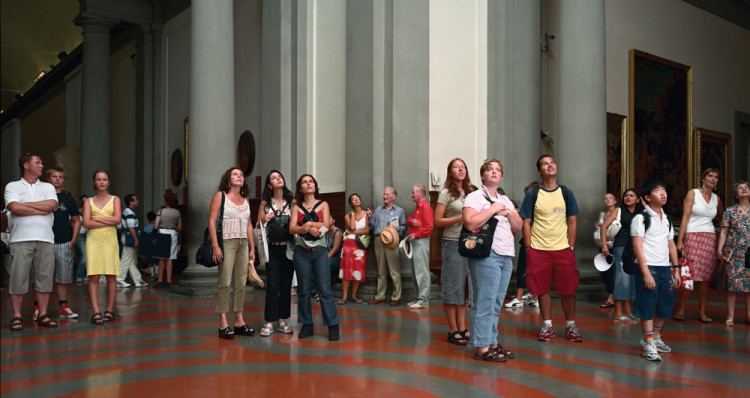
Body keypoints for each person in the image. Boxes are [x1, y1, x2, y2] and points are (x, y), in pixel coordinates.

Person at [463, 159, 522, 362]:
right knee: (484, 302)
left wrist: (505, 210)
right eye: (490, 169)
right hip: (486, 254)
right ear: (482, 175)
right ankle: (481, 346)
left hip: (506, 254)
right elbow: (470, 223)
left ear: (501, 176)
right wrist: (493, 209)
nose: (494, 172)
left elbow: (519, 223)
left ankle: (492, 342)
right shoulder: (475, 196)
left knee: (496, 303)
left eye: (498, 170)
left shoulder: (505, 199)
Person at [520, 155, 582, 342]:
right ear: (539, 171)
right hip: (538, 250)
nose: (550, 165)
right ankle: (547, 325)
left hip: (563, 249)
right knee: (542, 289)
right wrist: (529, 248)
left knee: (569, 289)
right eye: (545, 164)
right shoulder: (533, 194)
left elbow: (572, 220)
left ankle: (571, 326)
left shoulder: (566, 192)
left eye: (552, 162)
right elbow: (526, 222)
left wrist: (571, 246)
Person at [5, 153, 60, 331]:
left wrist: (25, 205)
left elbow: (51, 205)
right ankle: (17, 316)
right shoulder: (12, 186)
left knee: (44, 279)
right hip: (20, 239)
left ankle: (43, 314)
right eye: (38, 162)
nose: (42, 166)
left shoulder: (48, 186)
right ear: (26, 166)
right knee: (18, 279)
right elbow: (14, 207)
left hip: (45, 238)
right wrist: (40, 207)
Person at [631, 181, 680, 361]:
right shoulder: (641, 218)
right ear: (647, 197)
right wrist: (645, 272)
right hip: (647, 265)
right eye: (657, 190)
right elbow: (637, 246)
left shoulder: (666, 219)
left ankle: (656, 335)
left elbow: (671, 245)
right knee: (648, 304)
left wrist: (676, 269)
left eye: (664, 190)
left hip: (664, 267)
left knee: (666, 304)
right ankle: (648, 341)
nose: (663, 193)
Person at [290, 174, 340, 341]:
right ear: (300, 188)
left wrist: (308, 225)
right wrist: (303, 228)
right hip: (301, 252)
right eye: (305, 182)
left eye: (311, 181)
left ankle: (333, 325)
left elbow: (326, 224)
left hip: (320, 251)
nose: (308, 184)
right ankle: (307, 324)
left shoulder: (323, 204)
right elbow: (292, 229)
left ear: (315, 186)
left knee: (324, 288)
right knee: (303, 289)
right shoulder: (296, 208)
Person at [209, 167, 256, 339]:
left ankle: (239, 321)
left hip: (243, 242)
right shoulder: (221, 196)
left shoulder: (245, 200)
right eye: (235, 174)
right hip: (226, 242)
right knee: (225, 281)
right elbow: (212, 221)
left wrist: (252, 247)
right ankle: (222, 323)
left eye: (241, 175)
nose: (239, 176)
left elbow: (249, 225)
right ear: (228, 179)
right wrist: (216, 245)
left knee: (241, 282)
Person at [674, 168, 723, 323]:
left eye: (716, 177)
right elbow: (685, 217)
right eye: (710, 176)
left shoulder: (717, 199)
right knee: (690, 274)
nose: (713, 179)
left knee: (706, 278)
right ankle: (681, 309)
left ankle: (702, 312)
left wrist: (725, 238)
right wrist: (680, 240)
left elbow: (723, 220)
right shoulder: (693, 193)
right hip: (692, 236)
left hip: (709, 238)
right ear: (703, 178)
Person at [435, 158, 475, 344]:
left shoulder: (471, 192)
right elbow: (438, 221)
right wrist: (460, 218)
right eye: (456, 167)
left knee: (463, 287)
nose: (461, 169)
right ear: (450, 172)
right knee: (453, 286)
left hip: (470, 243)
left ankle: (462, 326)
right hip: (452, 243)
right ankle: (452, 329)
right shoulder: (445, 193)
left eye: (463, 166)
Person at [257, 170, 296, 337]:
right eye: (273, 177)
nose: (278, 179)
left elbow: (298, 222)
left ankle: (282, 320)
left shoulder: (292, 202)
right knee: (272, 285)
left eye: (279, 176)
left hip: (288, 247)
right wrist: (264, 219)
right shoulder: (265, 204)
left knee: (286, 285)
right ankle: (269, 322)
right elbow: (258, 225)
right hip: (272, 248)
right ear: (269, 185)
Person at [82, 169, 122, 325]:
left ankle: (110, 310)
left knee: (111, 275)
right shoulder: (88, 201)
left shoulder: (115, 199)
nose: (101, 182)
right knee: (94, 276)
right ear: (94, 182)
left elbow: (117, 220)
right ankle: (96, 311)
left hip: (110, 239)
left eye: (104, 179)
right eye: (98, 179)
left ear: (108, 182)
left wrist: (96, 218)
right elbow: (86, 223)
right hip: (94, 240)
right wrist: (108, 219)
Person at [44, 167, 81, 320]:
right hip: (44, 242)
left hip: (63, 242)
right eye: (54, 176)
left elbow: (76, 220)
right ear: (48, 179)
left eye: (60, 177)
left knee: (63, 278)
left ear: (63, 180)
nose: (57, 179)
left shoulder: (68, 199)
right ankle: (39, 309)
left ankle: (63, 307)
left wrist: (73, 240)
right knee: (42, 277)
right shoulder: (43, 196)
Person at [601, 188, 642, 321]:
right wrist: (604, 245)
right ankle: (617, 312)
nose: (628, 198)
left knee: (632, 280)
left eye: (632, 195)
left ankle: (628, 310)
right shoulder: (618, 211)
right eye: (626, 196)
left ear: (637, 199)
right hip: (621, 247)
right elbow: (604, 227)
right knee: (621, 279)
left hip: (635, 249)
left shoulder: (640, 213)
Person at [367, 187, 407, 306]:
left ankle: (396, 297)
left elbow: (404, 227)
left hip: (392, 241)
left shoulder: (399, 211)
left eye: (387, 195)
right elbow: (372, 226)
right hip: (379, 240)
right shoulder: (378, 210)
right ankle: (380, 296)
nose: (385, 196)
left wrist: (397, 228)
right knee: (381, 271)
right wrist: (369, 217)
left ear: (394, 197)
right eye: (384, 194)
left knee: (394, 271)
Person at [716, 181, 749, 326]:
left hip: (749, 253)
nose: (744, 190)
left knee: (749, 285)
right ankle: (730, 316)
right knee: (732, 284)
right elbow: (724, 232)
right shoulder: (730, 211)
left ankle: (749, 316)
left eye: (746, 188)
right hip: (733, 252)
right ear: (736, 195)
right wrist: (719, 248)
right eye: (740, 188)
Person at [505, 181, 539, 309]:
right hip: (535, 240)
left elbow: (526, 222)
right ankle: (535, 296)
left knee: (523, 268)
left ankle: (519, 298)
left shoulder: (532, 207)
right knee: (532, 269)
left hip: (531, 240)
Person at [405, 184, 434, 309]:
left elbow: (429, 228)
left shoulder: (426, 208)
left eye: (413, 193)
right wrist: (411, 221)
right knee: (415, 271)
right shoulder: (418, 208)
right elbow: (408, 221)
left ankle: (423, 300)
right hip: (415, 241)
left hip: (420, 241)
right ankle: (418, 298)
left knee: (422, 271)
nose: (411, 195)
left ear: (421, 193)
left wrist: (416, 235)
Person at [339, 193, 369, 304]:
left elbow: (367, 231)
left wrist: (352, 232)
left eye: (357, 198)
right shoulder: (348, 215)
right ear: (351, 204)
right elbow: (351, 227)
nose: (356, 200)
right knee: (346, 269)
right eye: (353, 199)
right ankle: (345, 296)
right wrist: (352, 216)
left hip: (360, 245)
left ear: (360, 201)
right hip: (348, 244)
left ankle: (354, 295)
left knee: (358, 269)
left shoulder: (367, 214)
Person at [117, 194, 147, 288]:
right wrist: (136, 239)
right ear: (131, 202)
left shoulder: (128, 211)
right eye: (136, 200)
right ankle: (119, 279)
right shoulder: (129, 212)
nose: (137, 201)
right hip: (130, 237)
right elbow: (131, 228)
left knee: (132, 261)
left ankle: (138, 280)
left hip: (128, 237)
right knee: (126, 259)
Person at [153, 192, 182, 288]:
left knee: (161, 258)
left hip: (162, 233)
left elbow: (156, 226)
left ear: (166, 202)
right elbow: (180, 228)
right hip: (172, 234)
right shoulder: (177, 212)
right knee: (170, 258)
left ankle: (160, 280)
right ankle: (169, 281)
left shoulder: (161, 211)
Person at [596, 193, 618, 308]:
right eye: (605, 198)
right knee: (604, 272)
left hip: (615, 246)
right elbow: (599, 229)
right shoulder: (603, 214)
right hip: (604, 245)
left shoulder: (618, 213)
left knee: (613, 273)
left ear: (615, 201)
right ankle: (612, 295)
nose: (607, 200)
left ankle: (612, 297)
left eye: (610, 198)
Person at [75, 195, 89, 283]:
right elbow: (73, 224)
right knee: (84, 255)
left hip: (88, 236)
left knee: (83, 255)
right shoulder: (77, 212)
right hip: (79, 236)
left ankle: (83, 274)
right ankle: (79, 275)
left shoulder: (89, 212)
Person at [326, 217, 344, 283]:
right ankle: (315, 290)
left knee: (324, 265)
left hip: (337, 257)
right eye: (325, 219)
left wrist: (324, 259)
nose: (327, 220)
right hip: (327, 255)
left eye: (329, 218)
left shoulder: (338, 231)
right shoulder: (325, 231)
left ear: (334, 220)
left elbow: (335, 249)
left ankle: (324, 289)